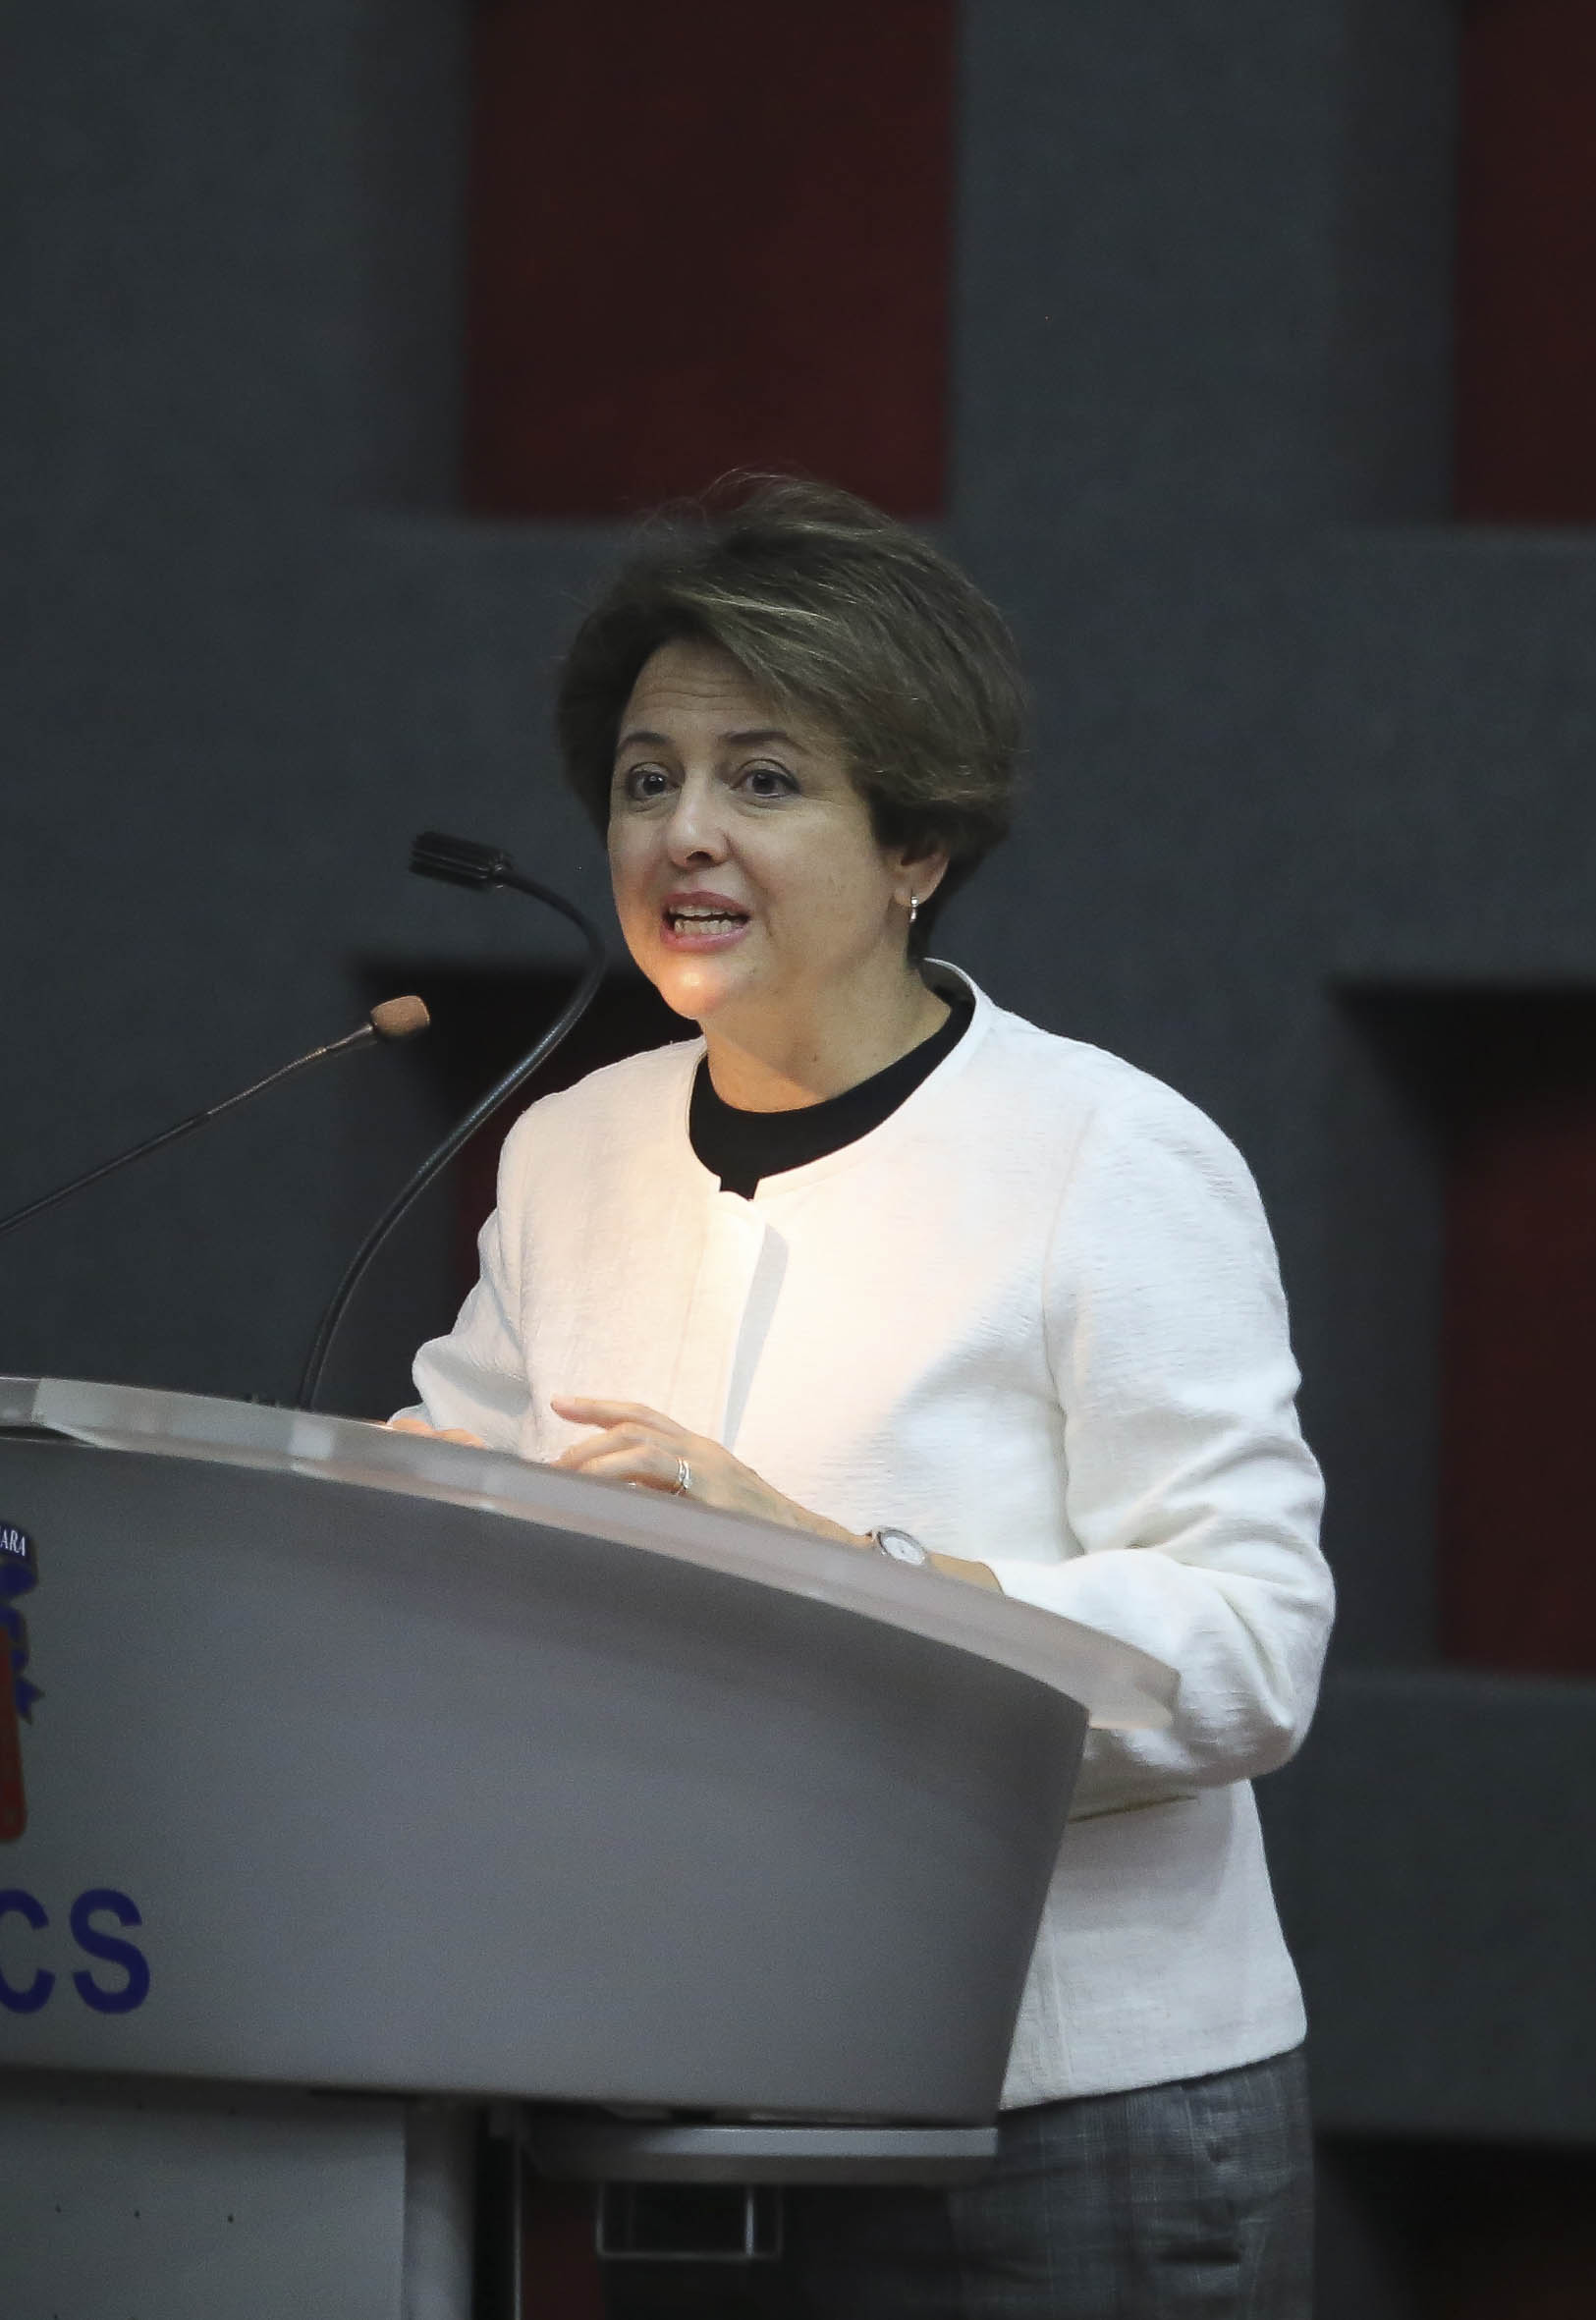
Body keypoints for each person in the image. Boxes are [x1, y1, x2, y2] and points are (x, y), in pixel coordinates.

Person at [395, 481, 1333, 2316]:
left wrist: (841, 1575)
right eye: (647, 779)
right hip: (690, 2087)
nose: (684, 831)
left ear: (916, 844)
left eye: (763, 779)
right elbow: (465, 1498)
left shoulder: (1109, 1155)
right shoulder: (571, 1151)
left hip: (1065, 2119)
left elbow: (1250, 1647)